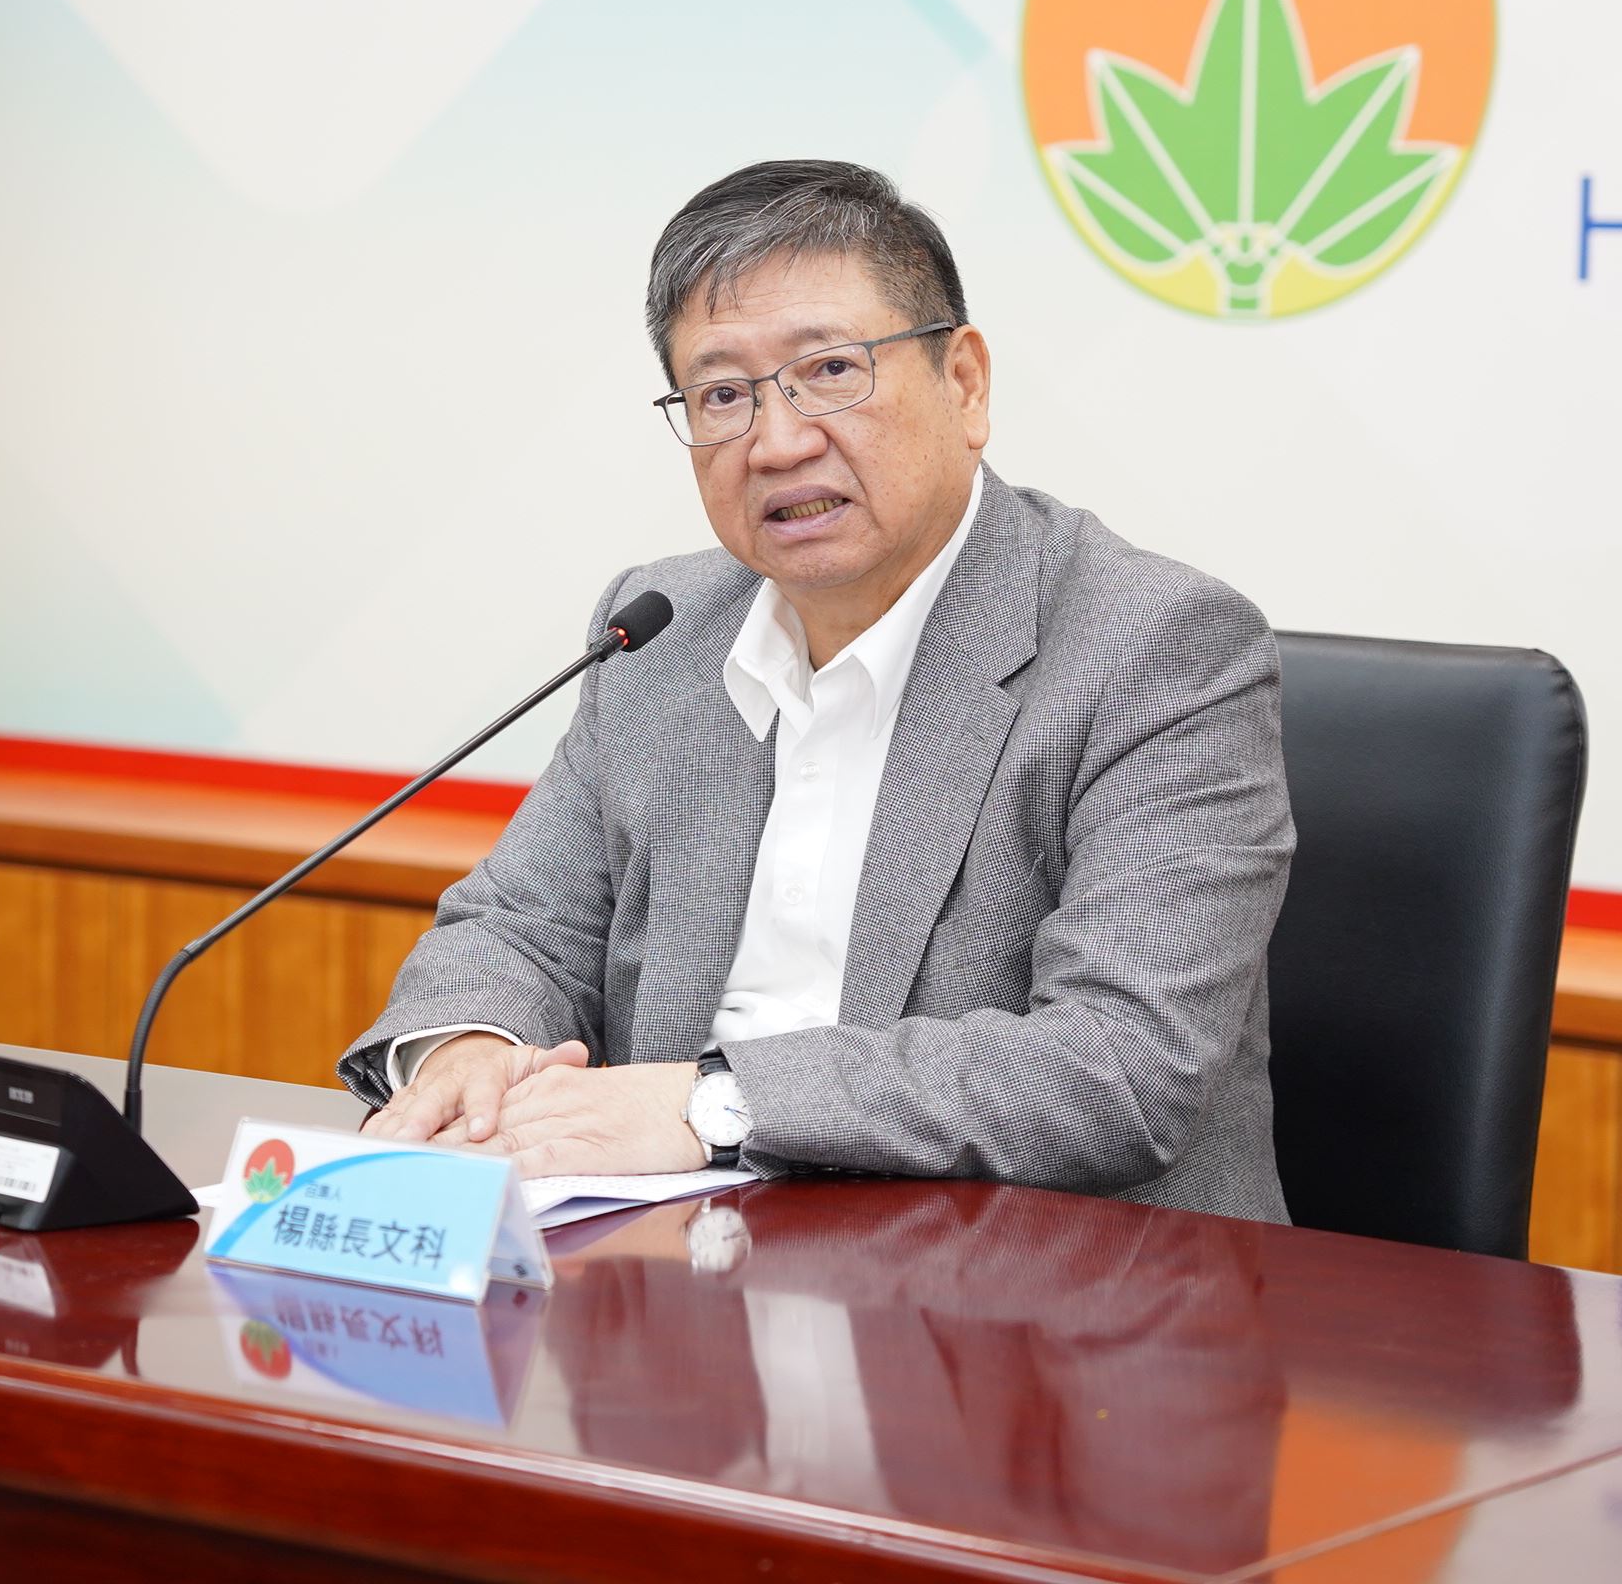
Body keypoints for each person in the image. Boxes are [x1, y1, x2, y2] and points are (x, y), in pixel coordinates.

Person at [341, 160, 1294, 1222]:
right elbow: (518, 927)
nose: (778, 441)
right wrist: (469, 1050)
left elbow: (1118, 1063)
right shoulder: (660, 629)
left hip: (1045, 1288)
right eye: (722, 395)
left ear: (964, 384)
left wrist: (711, 1106)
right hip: (687, 1267)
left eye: (831, 370)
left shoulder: (1156, 646)